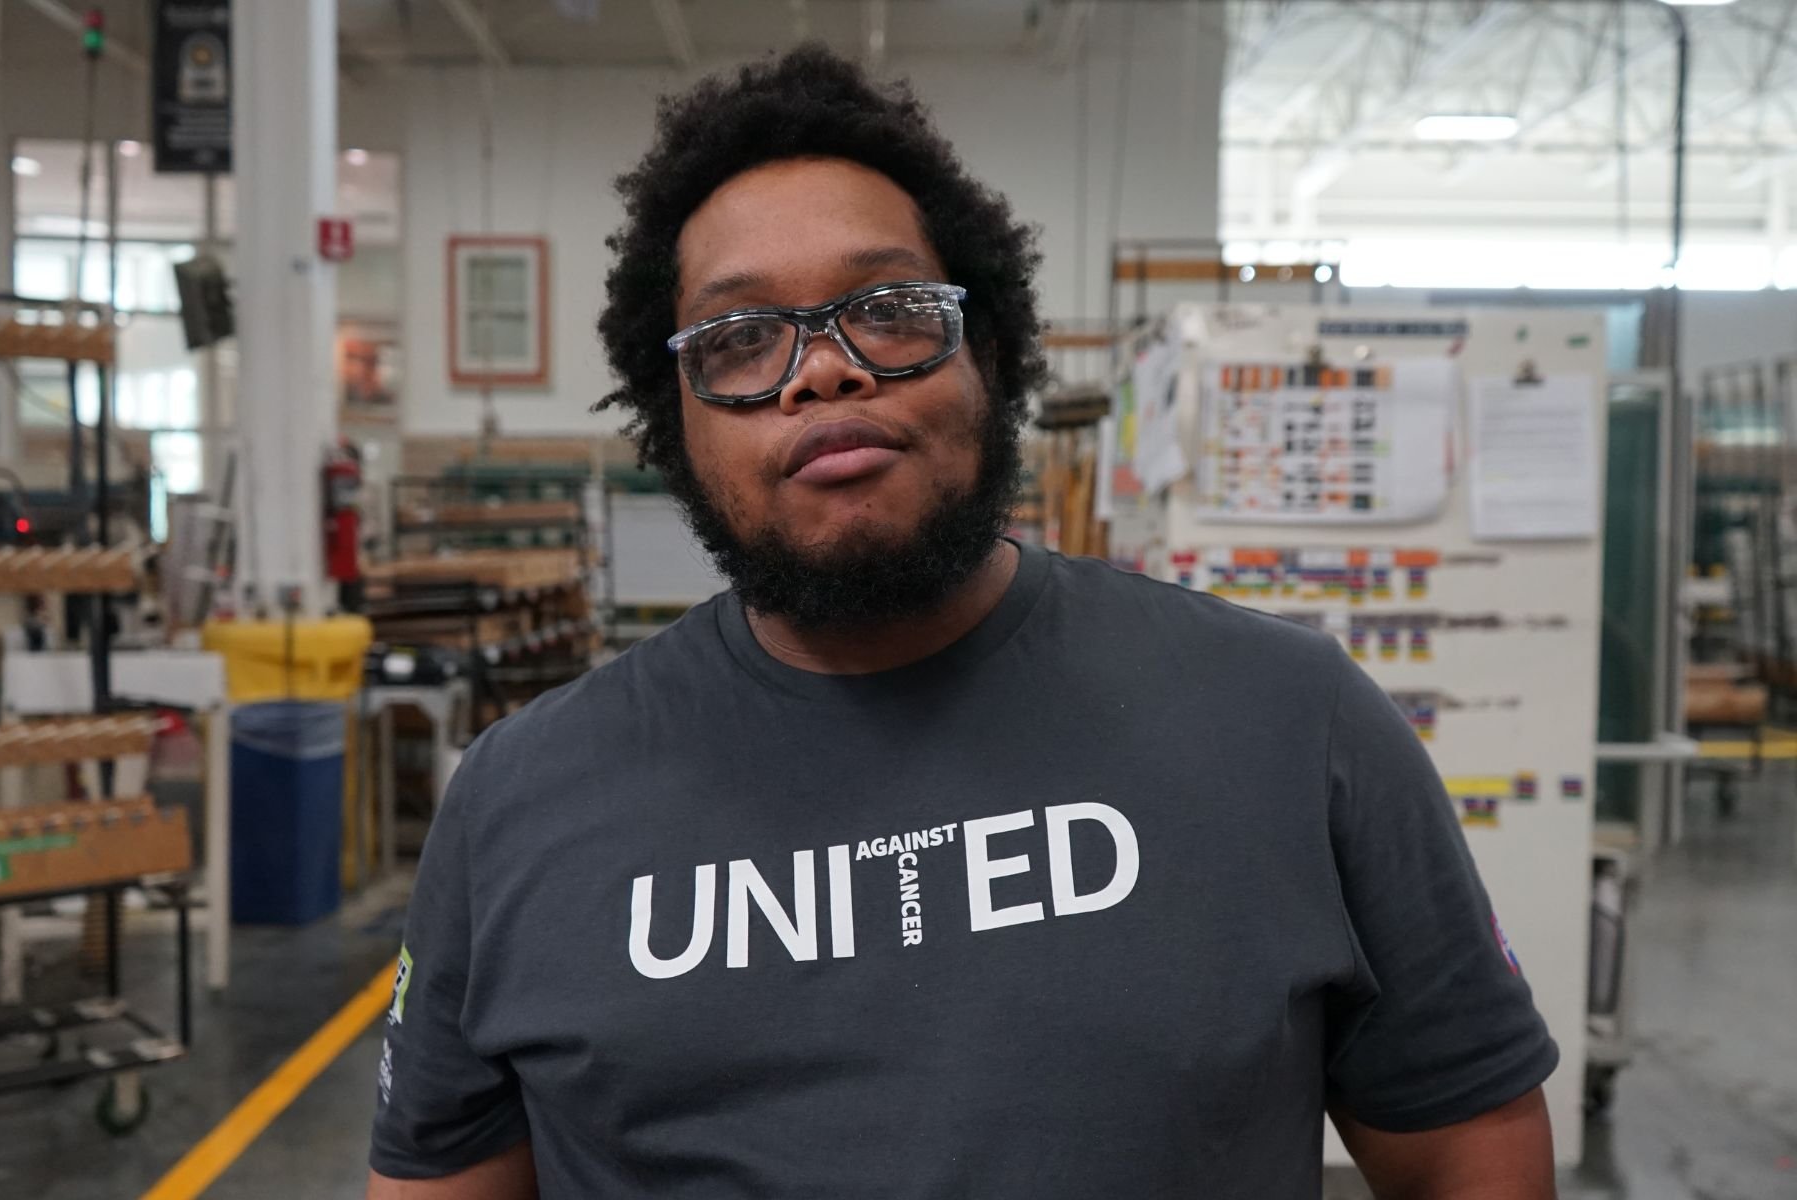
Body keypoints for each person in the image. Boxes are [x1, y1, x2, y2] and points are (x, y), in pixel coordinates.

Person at [367, 46, 1559, 1200]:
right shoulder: (518, 804)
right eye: (739, 339)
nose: (822, 372)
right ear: (672, 418)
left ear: (986, 354)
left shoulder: (1292, 721)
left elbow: (1472, 1158)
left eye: (889, 310)